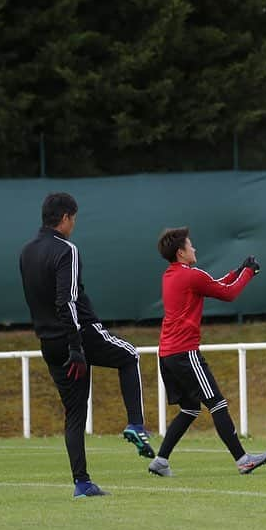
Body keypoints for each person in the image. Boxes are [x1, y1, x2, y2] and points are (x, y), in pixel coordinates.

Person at [19, 192, 154, 498]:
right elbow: (65, 300)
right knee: (129, 355)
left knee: (75, 413)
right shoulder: (66, 250)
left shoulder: (26, 252)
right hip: (76, 336)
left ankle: (81, 483)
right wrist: (76, 345)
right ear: (65, 218)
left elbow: (34, 299)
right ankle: (135, 424)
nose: (74, 225)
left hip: (48, 342)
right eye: (74, 219)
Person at [147, 227, 266, 477]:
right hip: (185, 354)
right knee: (217, 403)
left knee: (190, 408)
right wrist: (249, 272)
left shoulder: (171, 275)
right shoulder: (192, 275)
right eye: (190, 245)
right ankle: (243, 460)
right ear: (181, 252)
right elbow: (228, 293)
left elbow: (214, 285)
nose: (194, 249)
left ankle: (160, 461)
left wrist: (238, 272)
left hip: (167, 355)